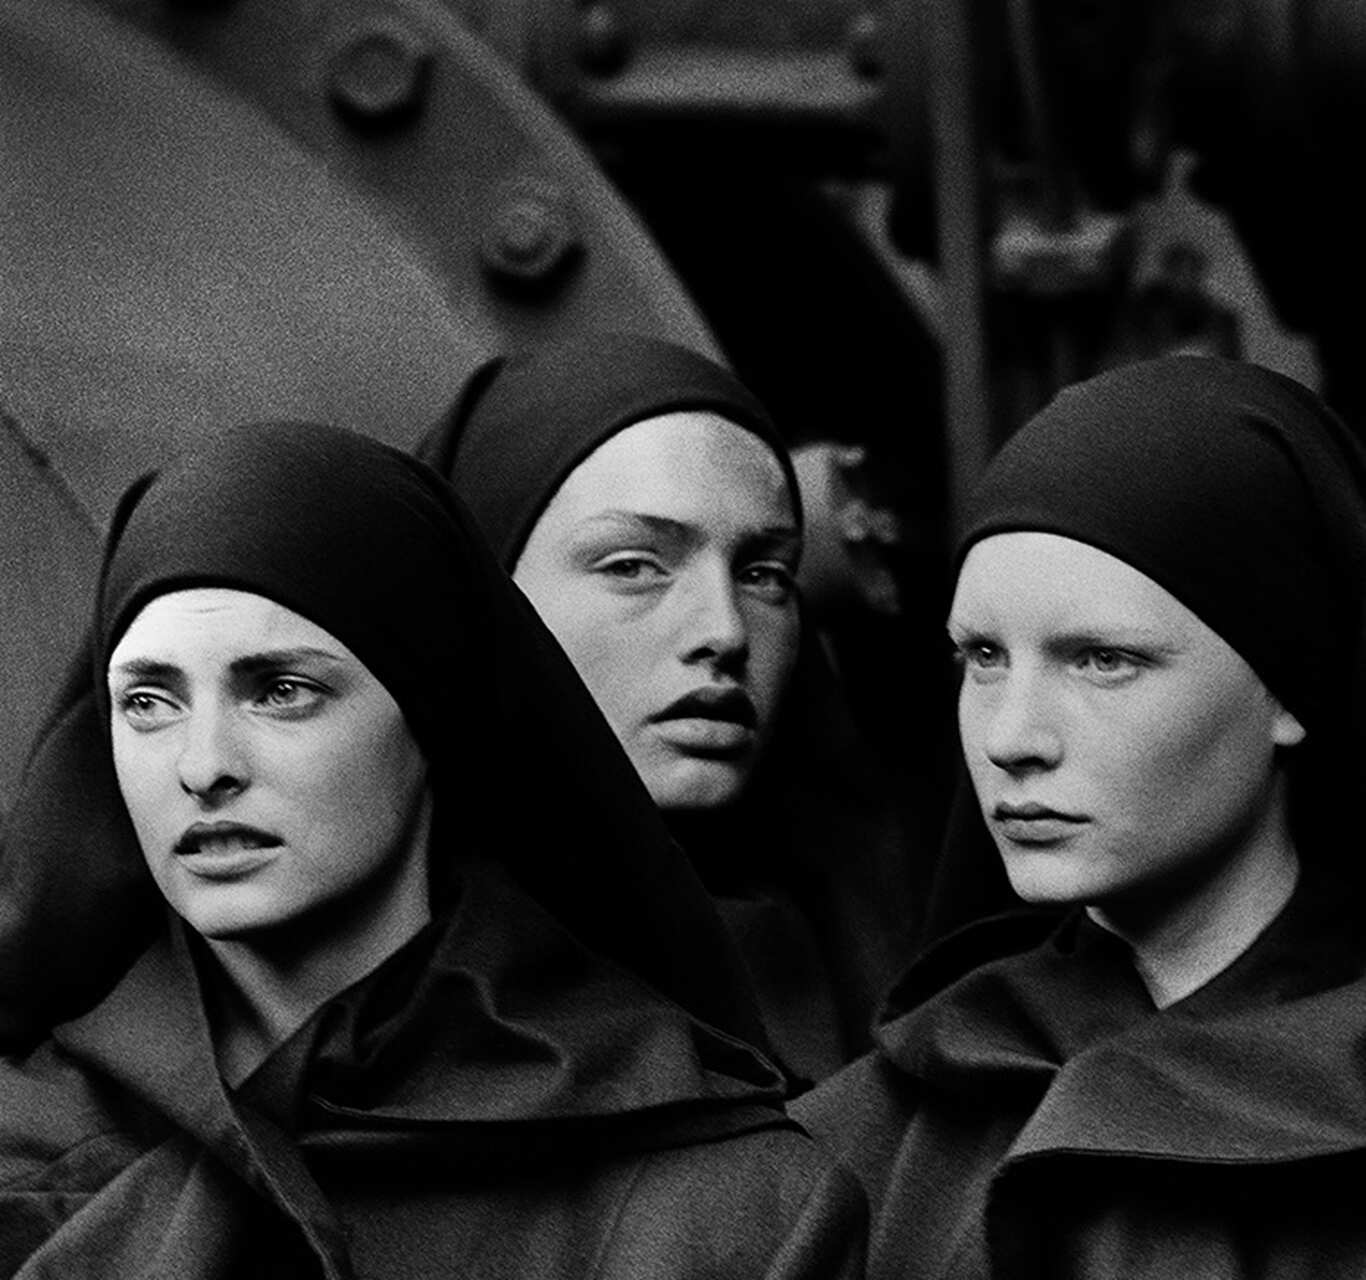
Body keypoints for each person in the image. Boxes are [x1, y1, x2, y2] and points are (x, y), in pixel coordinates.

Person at [0, 422, 866, 1277]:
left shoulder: (730, 1204)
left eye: (283, 691)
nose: (204, 767)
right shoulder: (28, 1150)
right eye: (148, 702)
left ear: (433, 716)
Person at [795, 357, 1366, 1278]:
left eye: (1103, 660)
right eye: (983, 657)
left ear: (1291, 688)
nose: (1012, 737)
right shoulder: (867, 1144)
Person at [421, 332, 915, 1091]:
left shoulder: (885, 974)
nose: (725, 630)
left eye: (764, 574)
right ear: (482, 596)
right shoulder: (378, 1001)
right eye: (633, 566)